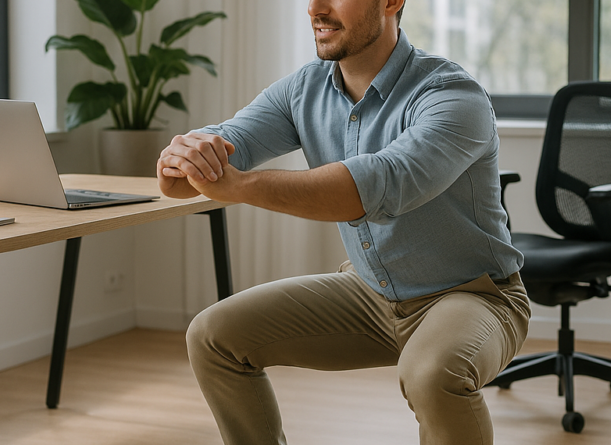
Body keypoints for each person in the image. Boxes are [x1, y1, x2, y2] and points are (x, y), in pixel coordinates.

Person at [157, 0, 530, 443]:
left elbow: (373, 186)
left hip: (473, 295)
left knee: (432, 375)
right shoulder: (303, 90)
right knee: (213, 337)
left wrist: (238, 186)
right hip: (372, 293)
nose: (315, 8)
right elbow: (196, 168)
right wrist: (183, 155)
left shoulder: (451, 95)